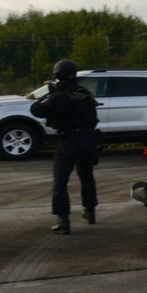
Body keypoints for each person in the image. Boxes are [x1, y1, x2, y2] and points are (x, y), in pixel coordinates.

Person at [29, 59, 99, 234]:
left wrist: (49, 93)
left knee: (60, 182)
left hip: (69, 141)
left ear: (58, 75)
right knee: (87, 176)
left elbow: (36, 109)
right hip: (89, 140)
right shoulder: (85, 93)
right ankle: (90, 212)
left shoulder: (60, 96)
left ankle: (63, 220)